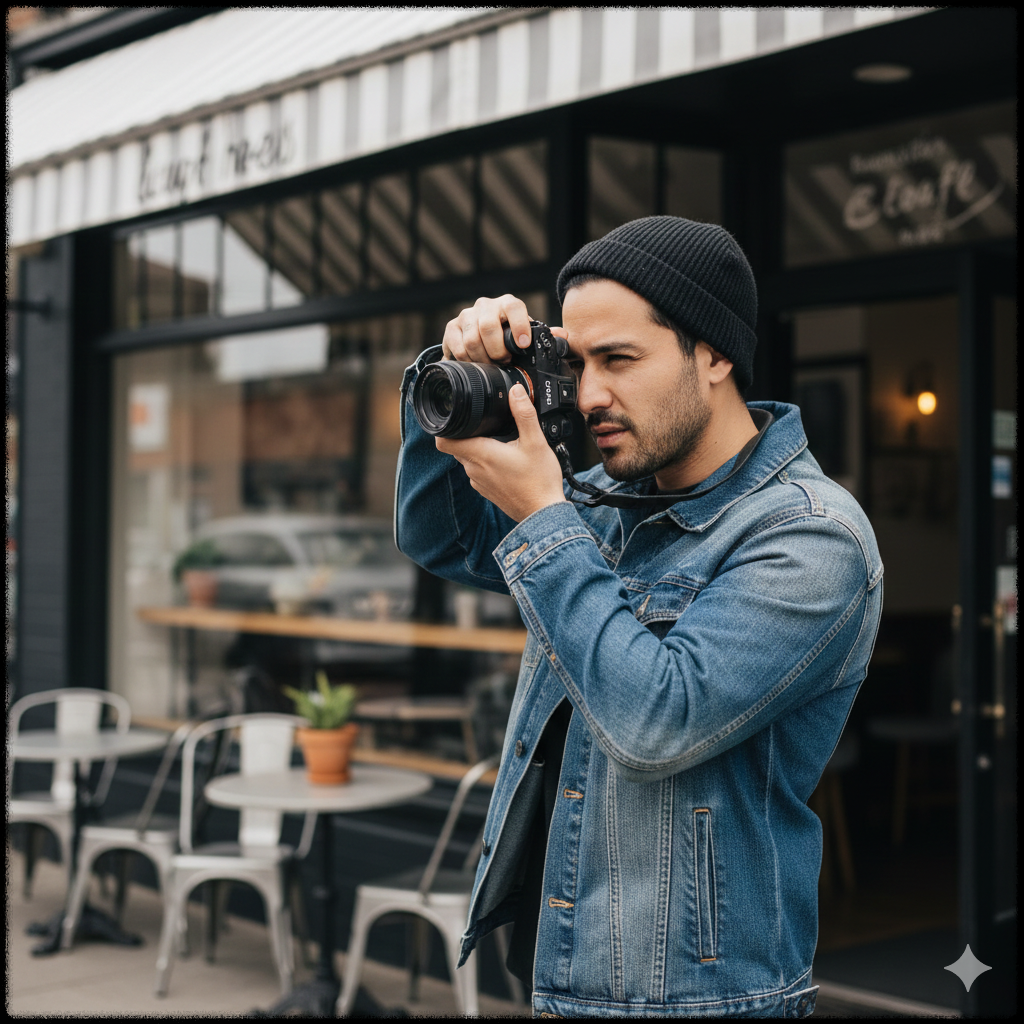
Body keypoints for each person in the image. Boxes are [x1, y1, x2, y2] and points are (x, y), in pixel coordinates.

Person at [394, 216, 883, 1018]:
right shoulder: (605, 504)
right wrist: (452, 371)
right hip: (563, 967)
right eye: (577, 363)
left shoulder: (812, 536)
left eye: (619, 360)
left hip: (700, 999)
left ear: (714, 355)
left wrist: (545, 517)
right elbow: (440, 536)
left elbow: (657, 720)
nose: (590, 395)